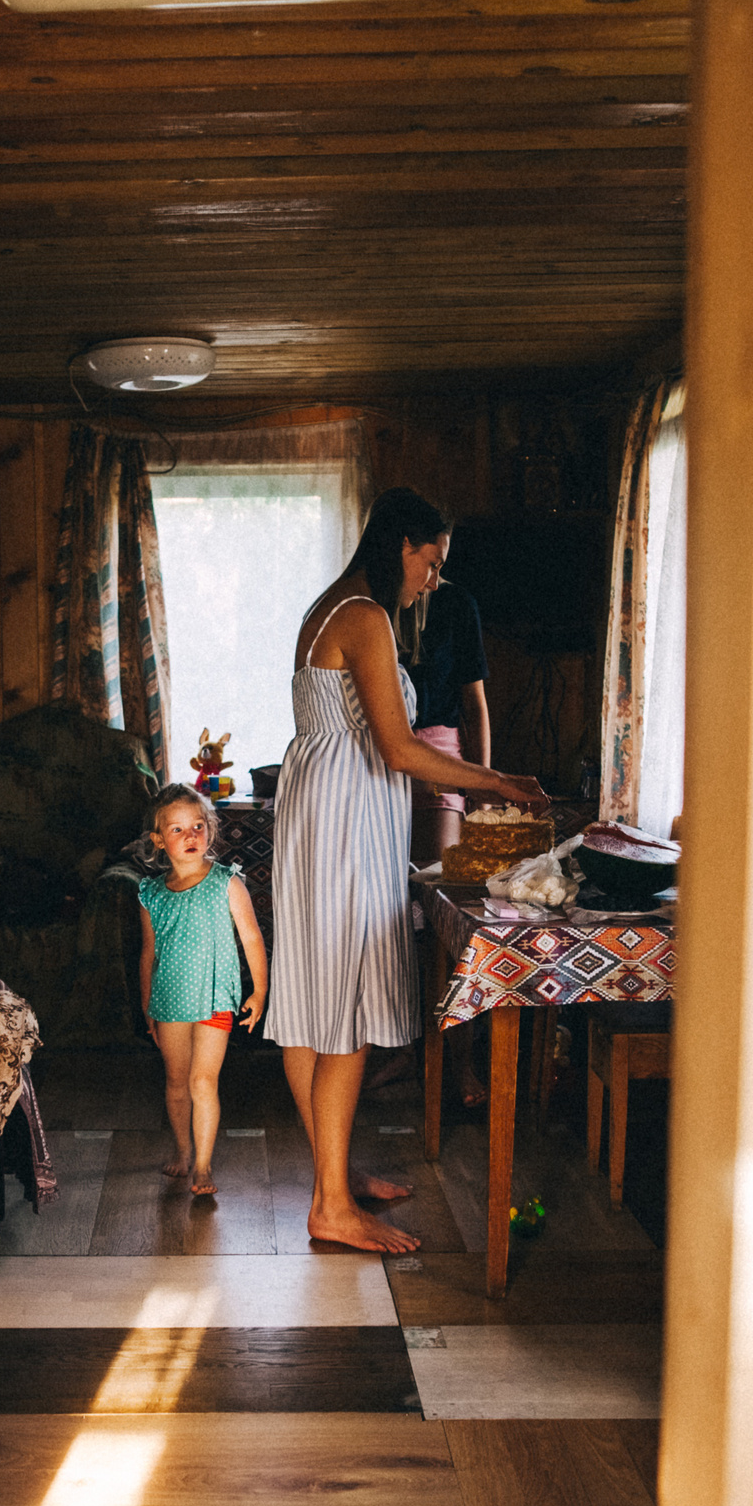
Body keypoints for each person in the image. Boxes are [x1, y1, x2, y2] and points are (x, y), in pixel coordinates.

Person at [267, 488, 549, 1252]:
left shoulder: (327, 607)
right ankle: (331, 1205)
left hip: (319, 814)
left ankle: (334, 1175)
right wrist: (496, 780)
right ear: (402, 545)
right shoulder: (365, 616)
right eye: (432, 561)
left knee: (314, 997)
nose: (434, 579)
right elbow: (397, 747)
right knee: (347, 1001)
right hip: (345, 821)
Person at [136, 784, 269, 1197]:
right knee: (177, 1082)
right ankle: (183, 1150)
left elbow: (252, 937)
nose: (190, 836)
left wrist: (259, 991)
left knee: (202, 1082)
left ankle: (203, 1165)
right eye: (177, 830)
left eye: (198, 826)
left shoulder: (226, 883)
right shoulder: (151, 894)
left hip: (214, 999)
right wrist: (147, 1006)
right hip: (169, 1003)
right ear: (159, 840)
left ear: (210, 829)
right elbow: (148, 954)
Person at [406, 572, 492, 864]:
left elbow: (474, 704)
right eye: (432, 563)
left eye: (439, 565)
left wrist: (483, 786)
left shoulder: (457, 603)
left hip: (440, 755)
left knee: (436, 873)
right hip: (376, 754)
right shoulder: (373, 605)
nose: (434, 577)